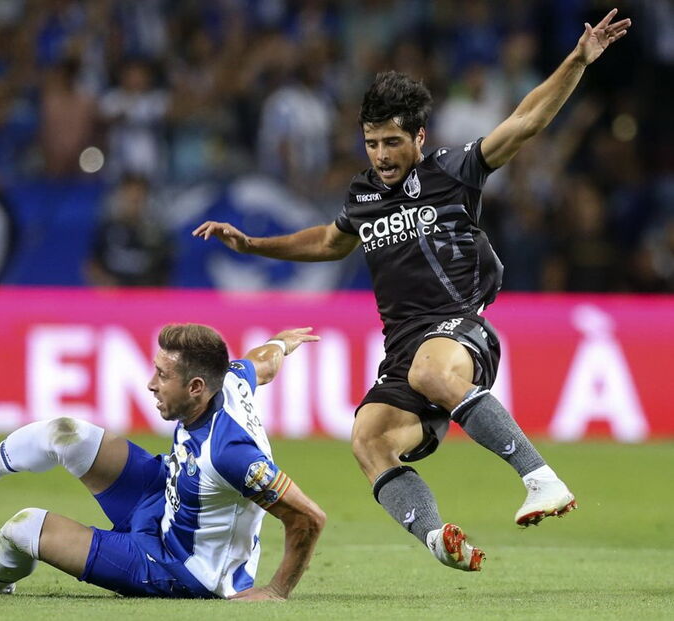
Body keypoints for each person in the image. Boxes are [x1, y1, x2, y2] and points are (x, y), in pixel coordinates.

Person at [193, 10, 630, 571]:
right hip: (402, 345)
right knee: (368, 440)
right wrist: (254, 245)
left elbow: (524, 122)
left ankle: (541, 478)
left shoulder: (454, 172)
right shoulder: (364, 195)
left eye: (392, 142)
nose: (380, 155)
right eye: (371, 143)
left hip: (458, 326)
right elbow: (329, 242)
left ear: (419, 136)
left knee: (431, 373)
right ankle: (437, 539)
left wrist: (577, 60)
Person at [0, 324, 325, 600]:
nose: (150, 383)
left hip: (179, 566)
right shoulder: (229, 378)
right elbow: (263, 362)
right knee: (64, 433)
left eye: (163, 375)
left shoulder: (230, 453)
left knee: (23, 528)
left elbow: (308, 517)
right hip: (168, 494)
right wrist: (283, 343)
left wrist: (276, 591)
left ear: (197, 387)